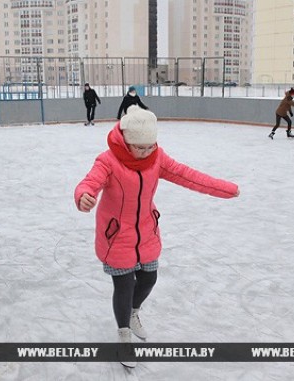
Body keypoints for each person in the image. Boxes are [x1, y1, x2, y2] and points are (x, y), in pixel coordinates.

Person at [74, 106, 240, 368]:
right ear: (127, 142)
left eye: (151, 146)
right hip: (117, 236)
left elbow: (188, 175)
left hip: (146, 233)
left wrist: (225, 188)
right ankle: (123, 333)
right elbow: (89, 183)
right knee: (125, 285)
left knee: (149, 278)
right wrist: (84, 196)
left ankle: (133, 312)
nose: (147, 152)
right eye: (141, 148)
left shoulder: (156, 157)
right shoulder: (108, 161)